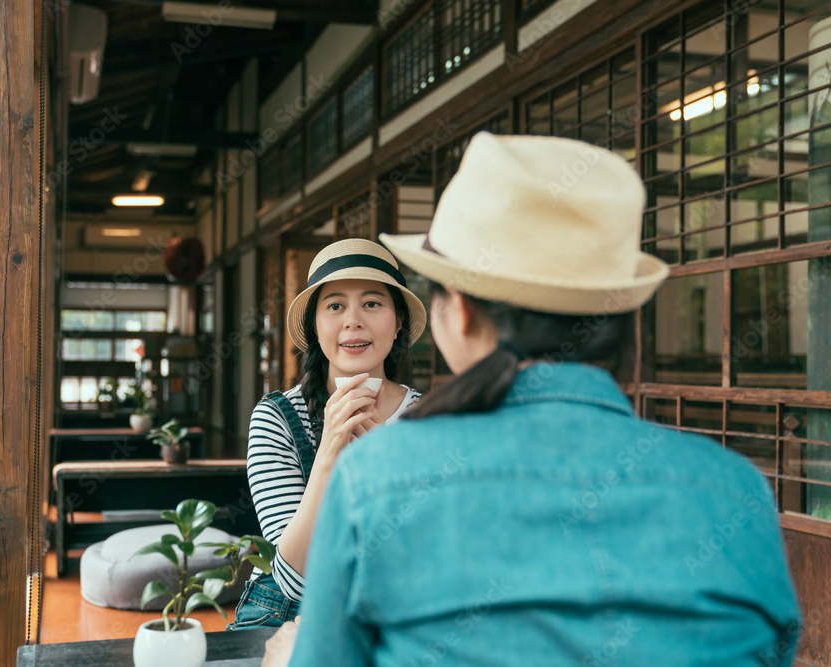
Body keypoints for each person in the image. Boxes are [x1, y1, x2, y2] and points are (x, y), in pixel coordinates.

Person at [262, 133, 801, 665]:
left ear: (460, 313)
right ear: (622, 320)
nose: (353, 320)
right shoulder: (737, 491)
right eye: (334, 307)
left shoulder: (377, 479)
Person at [227, 238, 427, 630]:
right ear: (315, 325)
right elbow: (293, 581)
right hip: (286, 618)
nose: (353, 320)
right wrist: (331, 451)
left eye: (372, 303)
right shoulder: (277, 417)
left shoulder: (432, 421)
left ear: (398, 321)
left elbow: (424, 560)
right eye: (335, 306)